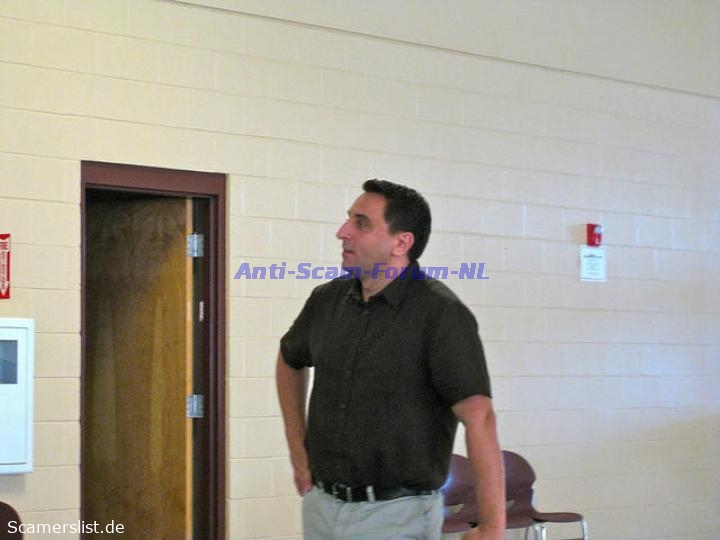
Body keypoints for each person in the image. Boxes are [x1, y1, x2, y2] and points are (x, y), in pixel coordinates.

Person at [276, 179, 505, 539]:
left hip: (398, 515)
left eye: (361, 223)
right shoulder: (326, 301)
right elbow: (290, 359)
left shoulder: (440, 314)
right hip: (322, 506)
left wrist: (492, 526)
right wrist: (298, 452)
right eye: (348, 219)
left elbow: (479, 417)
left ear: (401, 243)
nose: (343, 232)